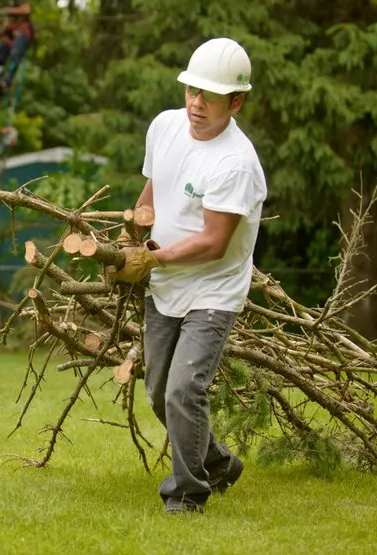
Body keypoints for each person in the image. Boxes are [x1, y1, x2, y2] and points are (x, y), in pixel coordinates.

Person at [114, 37, 267, 515]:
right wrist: (133, 236)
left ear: (236, 101)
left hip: (212, 289)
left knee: (185, 388)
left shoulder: (235, 163)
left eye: (209, 95)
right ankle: (219, 464)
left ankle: (187, 493)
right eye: (191, 91)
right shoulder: (165, 127)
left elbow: (213, 242)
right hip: (165, 285)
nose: (195, 104)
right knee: (160, 391)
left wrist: (153, 260)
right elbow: (153, 189)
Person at [0, 0, 35, 97]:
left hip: (22, 31)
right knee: (1, 52)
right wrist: (0, 33)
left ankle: (6, 82)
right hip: (11, 31)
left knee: (15, 54)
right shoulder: (6, 0)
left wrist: (7, 10)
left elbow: (26, 9)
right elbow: (7, 23)